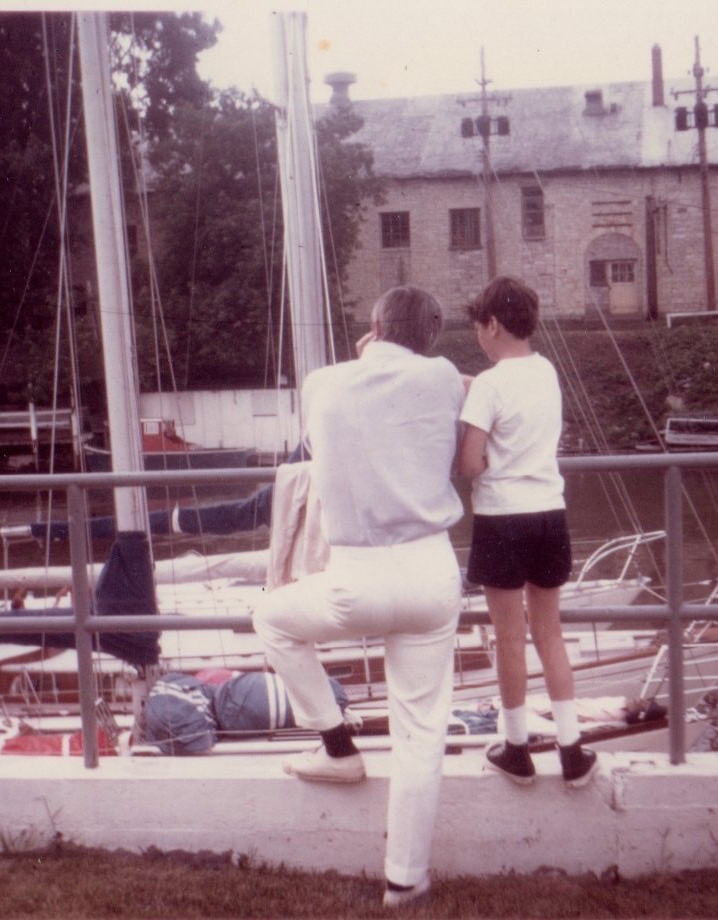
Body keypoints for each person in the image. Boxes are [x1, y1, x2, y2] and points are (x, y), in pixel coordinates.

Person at [253, 285, 466, 909]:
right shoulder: (444, 378)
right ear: (431, 337)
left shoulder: (323, 383)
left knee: (273, 619)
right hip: (429, 571)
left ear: (373, 326)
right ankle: (405, 879)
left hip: (355, 576)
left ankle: (336, 742)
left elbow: (340, 424)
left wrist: (369, 350)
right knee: (419, 734)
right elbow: (454, 387)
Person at [457, 275, 597, 788]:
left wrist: (485, 449)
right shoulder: (546, 371)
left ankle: (516, 748)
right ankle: (572, 750)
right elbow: (511, 398)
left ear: (492, 324)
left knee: (510, 639)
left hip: (502, 519)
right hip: (549, 514)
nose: (478, 335)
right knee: (549, 635)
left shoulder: (489, 385)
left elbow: (470, 464)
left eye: (479, 326)